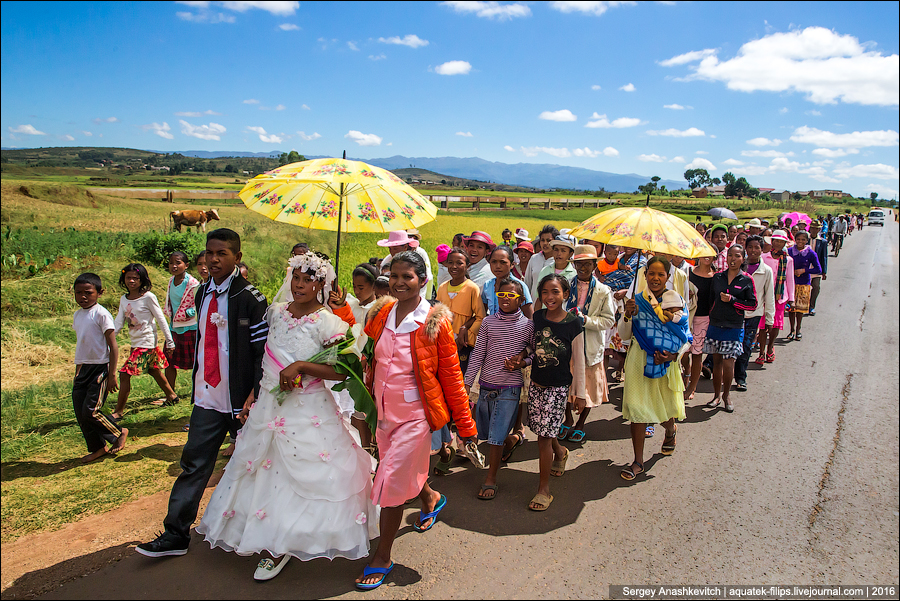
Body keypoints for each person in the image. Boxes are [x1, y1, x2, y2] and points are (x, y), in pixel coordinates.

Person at [195, 252, 378, 581]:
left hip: (308, 410)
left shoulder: (329, 322)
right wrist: (257, 392)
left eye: (308, 280)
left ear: (321, 284)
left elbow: (340, 372)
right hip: (270, 406)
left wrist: (302, 367)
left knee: (304, 475)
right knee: (262, 469)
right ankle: (264, 536)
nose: (299, 285)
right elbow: (268, 356)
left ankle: (283, 544)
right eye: (296, 278)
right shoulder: (276, 313)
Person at [137, 228, 269, 559]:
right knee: (194, 463)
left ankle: (263, 534)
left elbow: (261, 354)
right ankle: (175, 534)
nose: (213, 259)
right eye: (210, 253)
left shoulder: (251, 299)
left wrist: (255, 395)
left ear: (237, 258)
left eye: (222, 253)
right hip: (207, 397)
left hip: (242, 401)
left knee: (258, 465)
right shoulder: (202, 294)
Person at [357, 251, 477, 590]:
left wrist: (466, 429)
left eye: (407, 276)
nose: (398, 282)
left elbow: (452, 379)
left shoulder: (434, 323)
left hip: (415, 417)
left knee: (391, 482)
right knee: (400, 470)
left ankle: (382, 555)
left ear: (423, 281)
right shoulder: (381, 312)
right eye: (394, 275)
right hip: (384, 413)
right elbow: (369, 356)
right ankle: (430, 498)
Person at [507, 274, 585, 511]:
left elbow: (579, 360)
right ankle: (560, 453)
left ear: (566, 295)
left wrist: (579, 393)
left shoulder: (574, 324)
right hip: (536, 385)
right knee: (544, 431)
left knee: (542, 438)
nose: (550, 297)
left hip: (558, 388)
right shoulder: (538, 318)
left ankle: (543, 490)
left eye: (555, 292)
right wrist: (522, 355)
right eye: (545, 292)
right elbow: (532, 343)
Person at [464, 277, 534, 500]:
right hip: (486, 386)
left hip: (511, 388)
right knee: (487, 433)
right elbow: (479, 353)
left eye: (511, 295)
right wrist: (466, 383)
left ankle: (490, 479)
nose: (505, 299)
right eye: (501, 295)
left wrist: (522, 361)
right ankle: (513, 440)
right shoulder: (488, 323)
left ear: (521, 299)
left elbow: (534, 352)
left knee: (494, 439)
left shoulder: (528, 325)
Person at [618, 257, 686, 480]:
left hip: (665, 361)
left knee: (662, 409)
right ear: (645, 275)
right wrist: (628, 314)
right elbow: (625, 335)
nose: (656, 278)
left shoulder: (676, 303)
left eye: (661, 274)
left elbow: (684, 337)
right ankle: (638, 461)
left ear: (668, 277)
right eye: (652, 274)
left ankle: (670, 430)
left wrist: (674, 355)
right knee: (637, 409)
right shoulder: (635, 301)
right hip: (639, 358)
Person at [434, 247, 485, 473]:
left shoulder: (472, 288)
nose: (455, 267)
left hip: (463, 347)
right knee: (442, 393)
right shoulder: (442, 288)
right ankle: (445, 443)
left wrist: (466, 329)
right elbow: (436, 315)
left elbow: (479, 315)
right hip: (443, 347)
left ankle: (465, 441)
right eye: (451, 263)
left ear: (467, 266)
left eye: (460, 263)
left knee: (460, 394)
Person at [560, 245, 615, 442]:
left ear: (594, 265)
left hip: (589, 346)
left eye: (587, 263)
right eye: (579, 263)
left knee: (589, 388)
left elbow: (609, 320)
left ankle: (580, 423)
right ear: (574, 265)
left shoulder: (603, 291)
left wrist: (585, 321)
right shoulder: (565, 286)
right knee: (565, 385)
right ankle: (567, 419)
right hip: (568, 344)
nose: (583, 267)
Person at [72, 272, 127, 463]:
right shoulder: (78, 315)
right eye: (78, 293)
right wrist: (77, 371)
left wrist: (111, 374)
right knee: (81, 413)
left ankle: (119, 432)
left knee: (91, 410)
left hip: (100, 368)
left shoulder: (102, 314)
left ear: (99, 292)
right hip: (83, 370)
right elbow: (83, 345)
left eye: (88, 292)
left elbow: (113, 347)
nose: (83, 297)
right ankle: (98, 447)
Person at [112, 263, 178, 418]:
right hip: (135, 343)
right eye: (129, 278)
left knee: (124, 374)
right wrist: (108, 339)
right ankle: (172, 396)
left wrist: (170, 341)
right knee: (154, 370)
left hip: (147, 342)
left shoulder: (148, 297)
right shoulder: (124, 299)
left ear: (142, 280)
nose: (132, 281)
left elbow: (161, 320)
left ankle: (118, 412)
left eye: (136, 278)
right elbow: (119, 322)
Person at [704, 245, 757, 412]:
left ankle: (727, 395)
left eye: (737, 256)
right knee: (716, 363)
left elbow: (752, 304)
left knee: (729, 365)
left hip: (733, 327)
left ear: (743, 259)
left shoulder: (747, 280)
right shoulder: (718, 277)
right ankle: (716, 395)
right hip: (715, 326)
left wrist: (733, 300)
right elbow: (710, 300)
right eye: (730, 255)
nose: (733, 259)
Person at [735, 236, 774, 391]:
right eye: (750, 247)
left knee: (746, 347)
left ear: (762, 249)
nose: (753, 251)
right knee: (732, 345)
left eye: (756, 247)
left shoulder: (766, 271)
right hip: (736, 312)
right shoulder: (738, 266)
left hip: (754, 314)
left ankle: (740, 378)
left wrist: (769, 319)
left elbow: (769, 295)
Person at [164, 251, 200, 393]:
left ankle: (199, 393)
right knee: (169, 362)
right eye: (171, 262)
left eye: (178, 262)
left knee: (197, 363)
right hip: (174, 328)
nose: (174, 266)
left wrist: (188, 313)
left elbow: (198, 304)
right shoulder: (170, 281)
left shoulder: (192, 283)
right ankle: (170, 393)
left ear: (186, 265)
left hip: (190, 327)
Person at [758, 230, 794, 364]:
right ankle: (761, 352)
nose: (778, 243)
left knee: (775, 325)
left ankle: (770, 347)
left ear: (785, 243)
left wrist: (792, 299)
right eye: (776, 240)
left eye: (781, 241)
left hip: (780, 297)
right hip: (764, 296)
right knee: (762, 325)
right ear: (772, 242)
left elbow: (790, 280)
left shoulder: (788, 260)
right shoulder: (764, 257)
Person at [684, 255, 715, 400]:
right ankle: (686, 375)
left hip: (704, 319)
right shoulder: (688, 272)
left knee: (697, 355)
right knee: (683, 353)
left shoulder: (716, 277)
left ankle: (692, 387)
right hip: (686, 316)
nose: (706, 257)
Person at [786, 230, 822, 341]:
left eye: (803, 239)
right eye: (798, 239)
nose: (800, 241)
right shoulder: (789, 251)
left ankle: (798, 330)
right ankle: (791, 330)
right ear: (795, 240)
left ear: (807, 241)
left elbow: (818, 269)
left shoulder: (811, 253)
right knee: (791, 309)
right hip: (791, 283)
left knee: (800, 310)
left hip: (804, 284)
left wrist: (804, 270)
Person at [378, 230, 432, 299]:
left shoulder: (419, 255)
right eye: (390, 249)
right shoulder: (387, 261)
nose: (392, 252)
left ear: (405, 247)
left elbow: (427, 276)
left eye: (395, 248)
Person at [482, 245, 533, 318]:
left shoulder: (519, 285)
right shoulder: (488, 285)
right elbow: (483, 311)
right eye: (494, 262)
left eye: (503, 262)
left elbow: (529, 316)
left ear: (512, 264)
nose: (498, 266)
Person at [532, 235, 577, 310]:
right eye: (556, 250)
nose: (559, 253)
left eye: (563, 251)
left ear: (570, 254)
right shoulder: (545, 271)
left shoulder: (574, 275)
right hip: (544, 316)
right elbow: (539, 299)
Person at [524, 225, 559, 292]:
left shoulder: (558, 261)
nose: (545, 243)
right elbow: (527, 282)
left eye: (549, 240)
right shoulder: (534, 258)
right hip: (533, 301)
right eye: (542, 240)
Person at [807, 221, 828, 316]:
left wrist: (824, 271)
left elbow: (824, 257)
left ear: (819, 229)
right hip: (805, 269)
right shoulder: (805, 239)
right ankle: (804, 305)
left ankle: (812, 306)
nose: (814, 230)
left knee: (816, 287)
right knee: (804, 288)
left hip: (816, 269)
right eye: (812, 228)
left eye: (816, 228)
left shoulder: (822, 242)